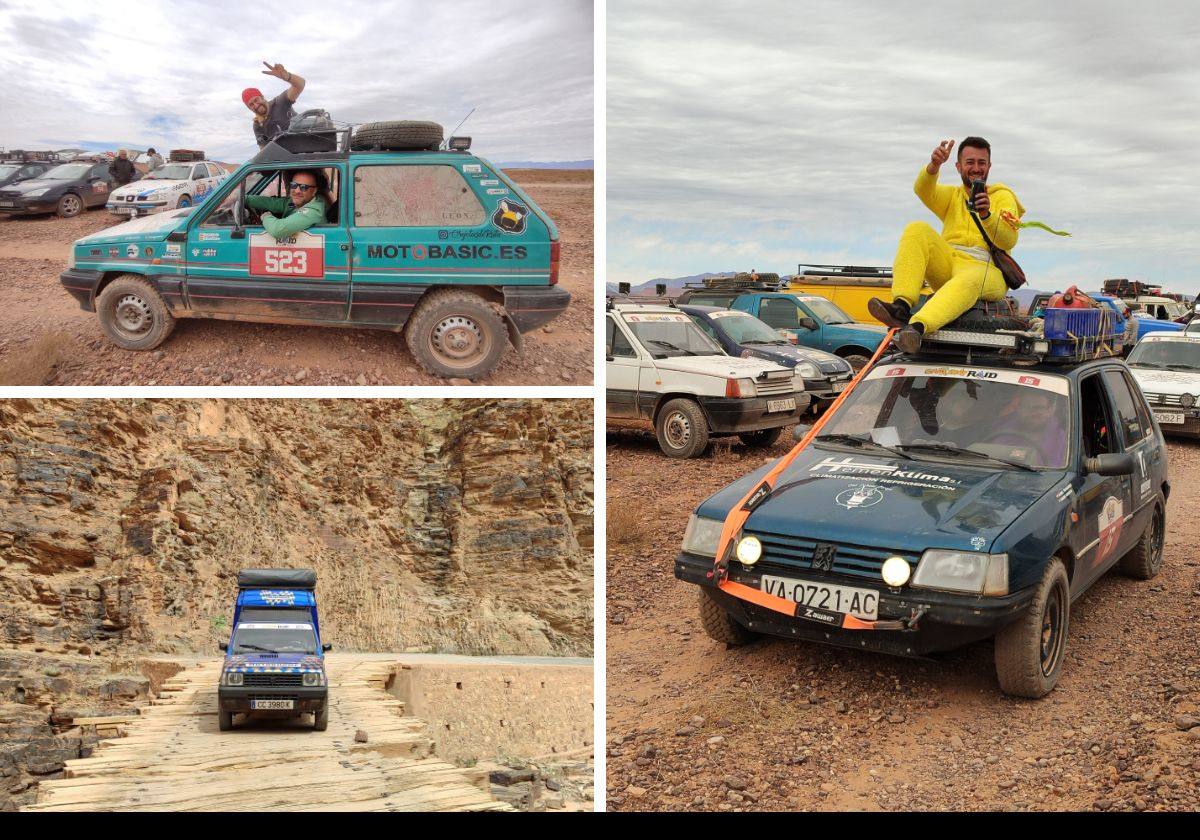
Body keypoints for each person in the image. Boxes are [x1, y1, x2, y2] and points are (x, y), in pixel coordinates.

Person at [868, 137, 1025, 353]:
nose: (976, 168)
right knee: (917, 229)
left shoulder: (1002, 196)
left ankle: (917, 327)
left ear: (989, 166)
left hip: (986, 269)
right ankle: (901, 307)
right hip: (950, 262)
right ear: (959, 166)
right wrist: (933, 166)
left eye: (982, 162)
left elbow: (1009, 239)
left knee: (969, 279)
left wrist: (987, 214)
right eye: (970, 162)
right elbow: (923, 190)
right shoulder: (953, 196)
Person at [245, 169, 330, 239]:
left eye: (304, 187)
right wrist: (244, 198)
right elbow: (271, 203)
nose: (297, 191)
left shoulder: (314, 210)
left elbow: (277, 230)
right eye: (294, 185)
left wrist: (266, 216)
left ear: (314, 191)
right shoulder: (295, 202)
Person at [243, 62, 306, 148]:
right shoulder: (257, 125)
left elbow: (300, 84)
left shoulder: (280, 102)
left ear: (262, 97)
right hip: (287, 158)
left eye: (256, 100)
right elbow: (263, 149)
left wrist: (287, 76)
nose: (256, 105)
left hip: (305, 146)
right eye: (251, 105)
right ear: (249, 108)